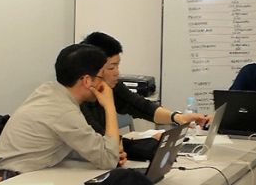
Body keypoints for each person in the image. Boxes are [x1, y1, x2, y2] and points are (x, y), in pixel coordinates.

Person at [0, 43, 123, 183]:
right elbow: (109, 159)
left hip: (19, 175)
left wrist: (110, 150)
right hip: (12, 183)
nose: (104, 84)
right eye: (101, 77)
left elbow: (78, 145)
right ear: (87, 80)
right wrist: (109, 106)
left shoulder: (49, 90)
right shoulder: (64, 111)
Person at [80, 32, 208, 160]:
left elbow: (140, 106)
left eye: (118, 66)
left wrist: (178, 117)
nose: (117, 73)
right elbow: (104, 144)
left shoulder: (111, 87)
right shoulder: (79, 100)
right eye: (111, 68)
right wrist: (151, 144)